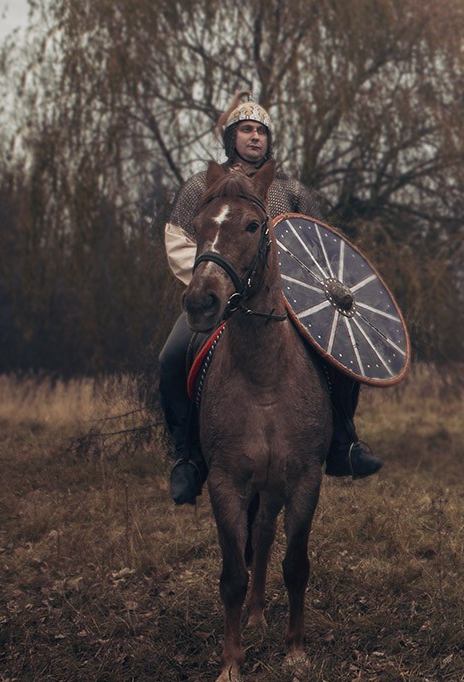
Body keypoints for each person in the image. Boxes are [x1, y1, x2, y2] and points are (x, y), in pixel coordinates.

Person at [159, 92, 382, 504]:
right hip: (217, 296)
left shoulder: (290, 191)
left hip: (286, 302)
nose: (255, 137)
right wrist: (215, 281)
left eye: (262, 131)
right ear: (231, 137)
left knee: (340, 358)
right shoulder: (203, 186)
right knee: (172, 358)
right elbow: (178, 241)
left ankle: (342, 444)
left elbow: (319, 246)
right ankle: (189, 458)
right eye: (246, 129)